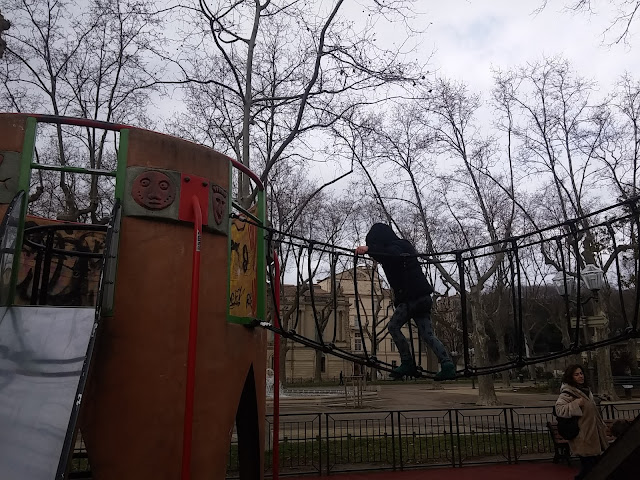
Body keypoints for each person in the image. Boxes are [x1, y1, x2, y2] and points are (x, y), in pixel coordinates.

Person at [355, 223, 455, 381]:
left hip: (411, 299)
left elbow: (392, 254)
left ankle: (408, 362)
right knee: (428, 334)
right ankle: (447, 363)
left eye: (374, 244)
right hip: (423, 298)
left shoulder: (398, 246)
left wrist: (369, 249)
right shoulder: (402, 245)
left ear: (379, 241)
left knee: (393, 326)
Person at [555, 364, 609, 480]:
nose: (580, 376)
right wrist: (575, 404)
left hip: (594, 435)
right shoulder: (567, 393)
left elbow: (593, 412)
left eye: (581, 373)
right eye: (576, 374)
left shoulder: (586, 391)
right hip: (583, 436)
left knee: (594, 467)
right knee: (589, 467)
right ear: (571, 377)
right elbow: (559, 409)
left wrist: (602, 425)